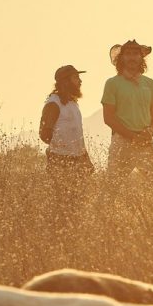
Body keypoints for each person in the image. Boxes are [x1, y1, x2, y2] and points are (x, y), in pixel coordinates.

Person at [101, 39, 153, 184]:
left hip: (145, 139)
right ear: (121, 58)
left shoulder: (150, 83)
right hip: (122, 140)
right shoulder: (112, 83)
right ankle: (101, 208)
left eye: (135, 54)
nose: (132, 57)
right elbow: (108, 118)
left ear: (141, 58)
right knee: (112, 188)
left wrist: (150, 131)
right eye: (128, 54)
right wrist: (132, 137)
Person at [38, 64, 93, 213]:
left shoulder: (73, 104)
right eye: (76, 78)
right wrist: (59, 154)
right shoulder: (53, 104)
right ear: (65, 82)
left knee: (78, 205)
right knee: (61, 205)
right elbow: (44, 134)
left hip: (78, 162)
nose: (80, 81)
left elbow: (77, 135)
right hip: (61, 162)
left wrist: (85, 160)